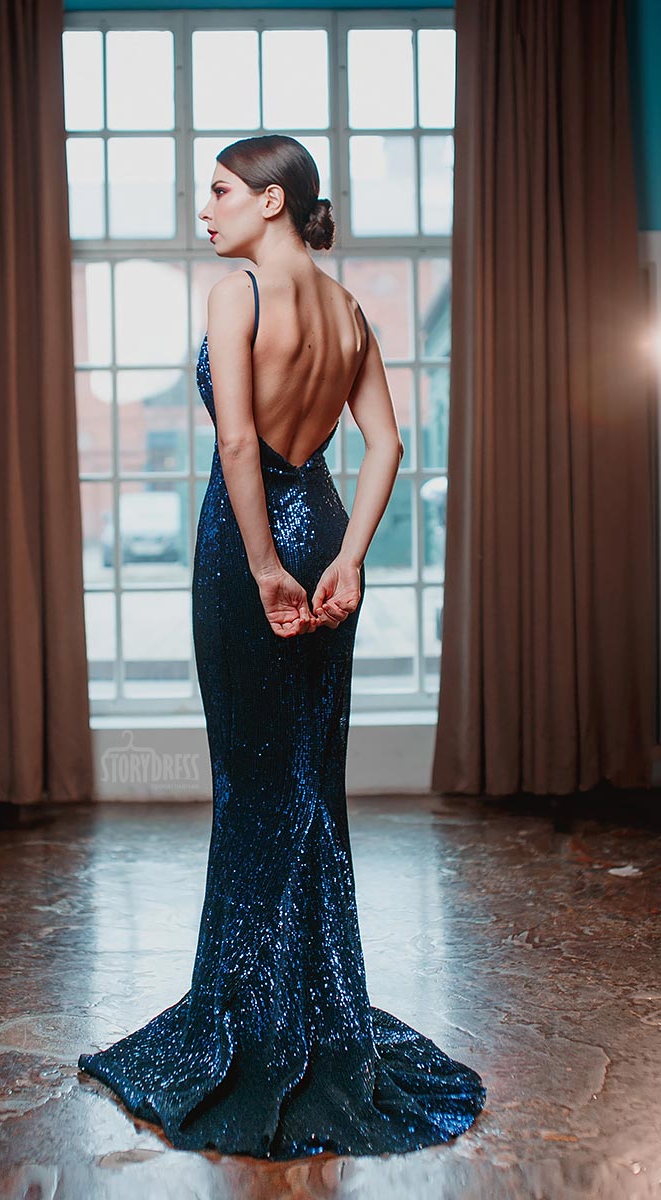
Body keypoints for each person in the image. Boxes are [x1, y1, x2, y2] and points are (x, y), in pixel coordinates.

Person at [78, 134, 486, 1158]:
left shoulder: (238, 296)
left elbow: (232, 442)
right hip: (322, 523)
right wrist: (347, 558)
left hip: (248, 539)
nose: (205, 209)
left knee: (252, 780)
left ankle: (245, 1018)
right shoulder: (348, 312)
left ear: (270, 201)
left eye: (219, 191)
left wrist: (264, 566)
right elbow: (387, 443)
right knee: (307, 778)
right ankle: (316, 1009)